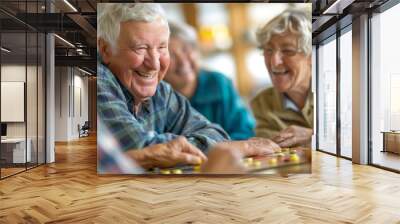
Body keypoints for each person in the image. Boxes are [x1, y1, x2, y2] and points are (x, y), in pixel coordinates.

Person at [97, 3, 280, 170]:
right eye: (140, 48)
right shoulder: (99, 80)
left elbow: (216, 132)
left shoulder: (160, 90)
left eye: (162, 47)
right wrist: (237, 146)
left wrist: (174, 148)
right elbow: (141, 147)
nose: (154, 64)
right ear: (105, 50)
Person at [164, 21, 255, 140]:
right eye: (170, 55)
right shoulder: (155, 97)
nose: (183, 61)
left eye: (186, 49)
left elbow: (244, 130)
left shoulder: (219, 83)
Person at [250, 9, 313, 148]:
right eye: (269, 50)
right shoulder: (262, 103)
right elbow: (272, 154)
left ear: (312, 57)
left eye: (288, 51)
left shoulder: (340, 93)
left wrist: (312, 137)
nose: (274, 62)